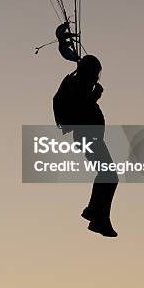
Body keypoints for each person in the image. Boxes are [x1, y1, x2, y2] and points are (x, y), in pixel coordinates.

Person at [53, 55, 118, 237]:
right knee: (109, 175)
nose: (97, 78)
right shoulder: (77, 86)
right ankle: (97, 216)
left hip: (89, 137)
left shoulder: (78, 85)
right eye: (96, 73)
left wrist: (92, 98)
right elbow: (80, 109)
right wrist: (93, 97)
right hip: (87, 136)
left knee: (107, 175)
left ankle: (95, 213)